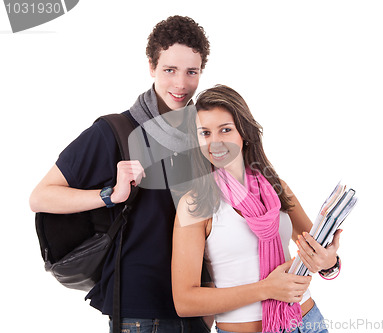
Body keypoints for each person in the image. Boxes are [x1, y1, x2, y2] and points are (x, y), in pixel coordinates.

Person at [29, 16, 212, 333]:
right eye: (170, 70)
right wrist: (109, 195)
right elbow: (40, 197)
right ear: (152, 67)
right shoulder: (115, 132)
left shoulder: (203, 135)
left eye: (191, 72)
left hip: (198, 310)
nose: (181, 84)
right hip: (140, 314)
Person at [172, 85, 342, 333]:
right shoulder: (195, 204)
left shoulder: (276, 187)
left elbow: (314, 249)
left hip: (307, 323)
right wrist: (266, 288)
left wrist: (329, 261)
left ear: (244, 131)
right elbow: (185, 301)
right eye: (205, 133)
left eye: (226, 129)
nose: (215, 141)